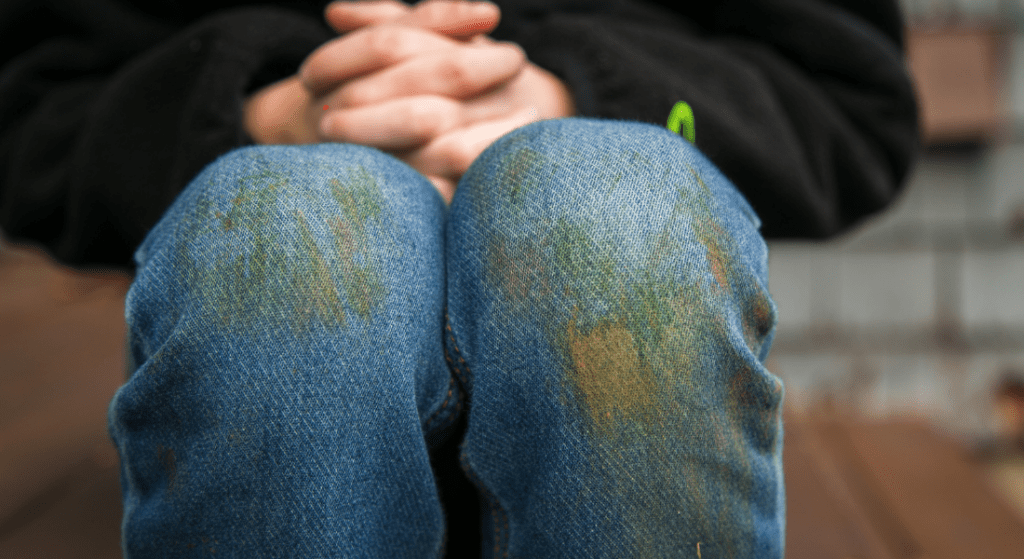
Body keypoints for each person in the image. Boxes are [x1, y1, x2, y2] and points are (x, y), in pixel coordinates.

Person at [0, 0, 919, 556]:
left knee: (604, 209)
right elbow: (39, 100)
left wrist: (576, 104)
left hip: (618, 223)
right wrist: (262, 112)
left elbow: (846, 95)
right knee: (279, 229)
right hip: (270, 261)